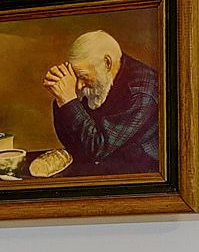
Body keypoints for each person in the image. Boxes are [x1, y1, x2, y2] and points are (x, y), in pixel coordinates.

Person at [42, 30, 164, 177]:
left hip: (138, 176)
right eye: (76, 77)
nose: (79, 85)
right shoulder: (99, 80)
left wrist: (68, 100)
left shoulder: (141, 94)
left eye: (84, 76)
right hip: (102, 168)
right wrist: (61, 98)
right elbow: (75, 145)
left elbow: (97, 148)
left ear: (107, 63)